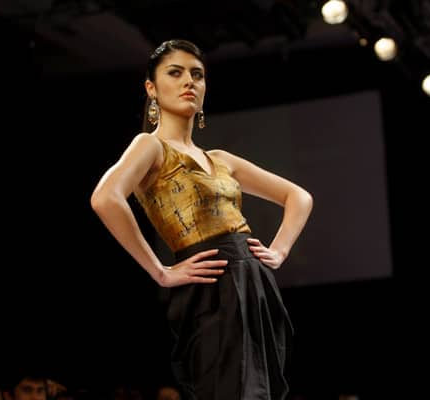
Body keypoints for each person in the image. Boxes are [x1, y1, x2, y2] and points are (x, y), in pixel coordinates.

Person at [90, 39, 313, 400]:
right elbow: (104, 198)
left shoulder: (220, 158)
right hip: (212, 284)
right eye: (175, 73)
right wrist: (160, 271)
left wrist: (280, 250)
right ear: (151, 88)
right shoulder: (149, 146)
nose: (188, 82)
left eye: (197, 75)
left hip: (253, 280)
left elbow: (299, 197)